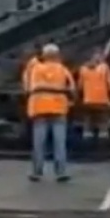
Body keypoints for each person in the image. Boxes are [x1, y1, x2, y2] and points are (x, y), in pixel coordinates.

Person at [27, 43, 75, 182]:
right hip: (58, 108)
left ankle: (37, 172)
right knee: (59, 142)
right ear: (57, 55)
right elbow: (71, 88)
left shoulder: (35, 68)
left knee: (38, 142)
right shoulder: (63, 70)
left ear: (44, 56)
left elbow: (29, 85)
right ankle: (60, 172)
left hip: (39, 108)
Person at [77, 49, 110, 142]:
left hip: (88, 100)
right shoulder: (105, 68)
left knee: (88, 121)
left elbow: (80, 86)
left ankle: (87, 139)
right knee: (103, 122)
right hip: (102, 100)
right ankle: (103, 142)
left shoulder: (83, 68)